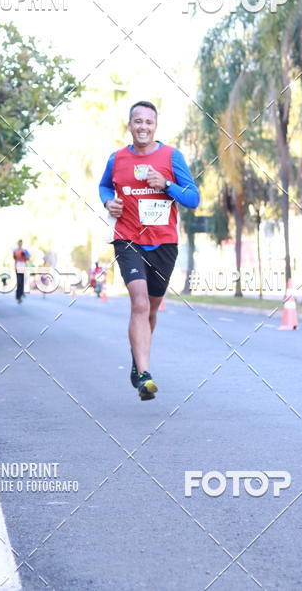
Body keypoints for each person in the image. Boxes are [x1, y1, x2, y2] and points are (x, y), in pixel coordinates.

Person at [99, 101, 199, 400]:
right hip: (128, 239)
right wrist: (108, 202)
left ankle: (136, 358)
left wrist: (166, 183)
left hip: (164, 242)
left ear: (155, 126)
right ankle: (145, 375)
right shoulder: (117, 158)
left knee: (152, 309)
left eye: (148, 122)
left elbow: (192, 198)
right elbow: (105, 187)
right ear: (130, 125)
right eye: (137, 121)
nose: (143, 126)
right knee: (139, 304)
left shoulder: (171, 156)